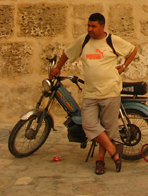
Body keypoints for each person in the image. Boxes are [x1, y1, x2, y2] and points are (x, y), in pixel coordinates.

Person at [50, 13, 137, 175]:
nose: (90, 29)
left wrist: (124, 67)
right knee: (89, 125)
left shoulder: (112, 41)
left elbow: (133, 50)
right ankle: (113, 150)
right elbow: (67, 53)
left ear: (102, 26)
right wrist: (58, 68)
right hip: (90, 93)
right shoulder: (84, 41)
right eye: (88, 26)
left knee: (108, 129)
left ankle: (100, 160)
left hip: (110, 92)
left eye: (93, 26)